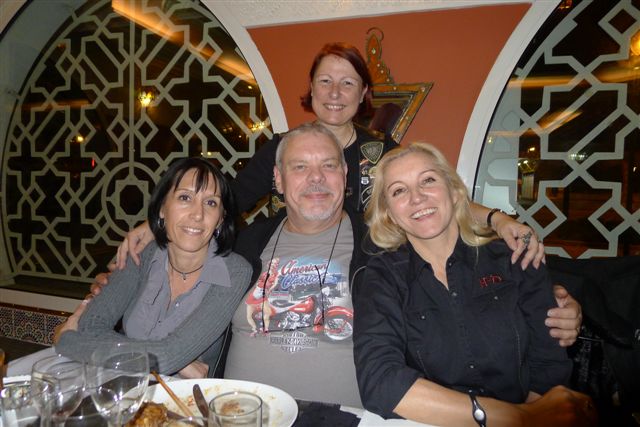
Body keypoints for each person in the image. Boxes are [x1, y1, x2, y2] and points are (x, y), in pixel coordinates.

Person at [114, 42, 547, 273]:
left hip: (365, 272)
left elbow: (437, 200)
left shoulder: (380, 151)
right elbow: (226, 198)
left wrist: (498, 220)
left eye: (347, 83)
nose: (335, 93)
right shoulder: (283, 149)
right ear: (311, 89)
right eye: (325, 81)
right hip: (287, 269)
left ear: (363, 94)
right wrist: (154, 226)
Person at [353, 142, 597, 426]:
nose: (417, 197)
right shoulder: (383, 276)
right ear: (390, 214)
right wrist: (517, 419)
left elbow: (548, 364)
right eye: (399, 191)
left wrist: (534, 413)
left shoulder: (514, 256)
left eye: (428, 180)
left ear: (455, 192)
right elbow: (380, 381)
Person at [8, 158, 252, 378]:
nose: (197, 214)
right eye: (185, 198)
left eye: (210, 202)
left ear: (220, 219)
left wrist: (68, 340)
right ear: (162, 208)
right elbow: (91, 324)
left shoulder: (234, 271)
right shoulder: (142, 254)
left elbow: (167, 357)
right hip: (117, 385)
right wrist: (175, 362)